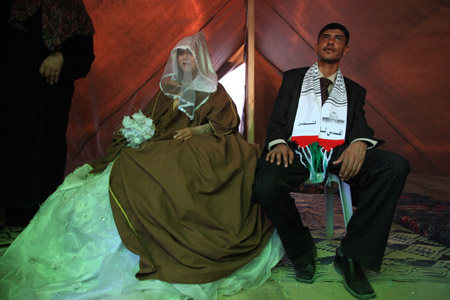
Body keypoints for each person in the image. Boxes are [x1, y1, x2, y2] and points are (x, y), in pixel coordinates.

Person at [0, 31, 283, 300]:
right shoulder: (167, 89)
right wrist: (139, 130)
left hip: (196, 145)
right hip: (164, 142)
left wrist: (194, 132)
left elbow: (225, 125)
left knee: (157, 165)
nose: (185, 60)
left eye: (190, 56)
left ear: (200, 59)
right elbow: (148, 116)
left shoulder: (212, 90)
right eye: (181, 55)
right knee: (131, 159)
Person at [251, 23, 410, 299]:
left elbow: (360, 126)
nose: (330, 42)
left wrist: (360, 143)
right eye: (325, 37)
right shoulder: (293, 78)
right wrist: (278, 142)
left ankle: (351, 255)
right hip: (297, 150)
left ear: (345, 50)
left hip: (338, 152)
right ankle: (301, 249)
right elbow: (277, 118)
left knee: (395, 166)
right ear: (316, 45)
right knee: (265, 182)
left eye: (338, 39)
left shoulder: (355, 90)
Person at [3, 0, 95, 226]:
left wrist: (61, 58)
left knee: (42, 157)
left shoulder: (70, 6)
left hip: (49, 99)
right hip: (10, 93)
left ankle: (33, 221)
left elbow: (84, 55)